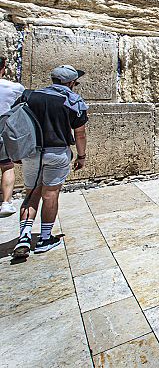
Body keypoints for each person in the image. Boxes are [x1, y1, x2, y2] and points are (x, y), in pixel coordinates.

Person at [12, 65, 88, 258]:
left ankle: (24, 237)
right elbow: (79, 134)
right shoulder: (72, 101)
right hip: (57, 153)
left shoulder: (29, 97)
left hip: (32, 153)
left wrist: (18, 151)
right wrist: (81, 156)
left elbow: (15, 124)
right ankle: (45, 238)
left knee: (31, 194)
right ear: (70, 83)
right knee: (50, 194)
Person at [0, 57, 24, 217]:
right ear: (3, 67)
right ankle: (6, 203)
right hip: (2, 130)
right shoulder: (14, 88)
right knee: (7, 166)